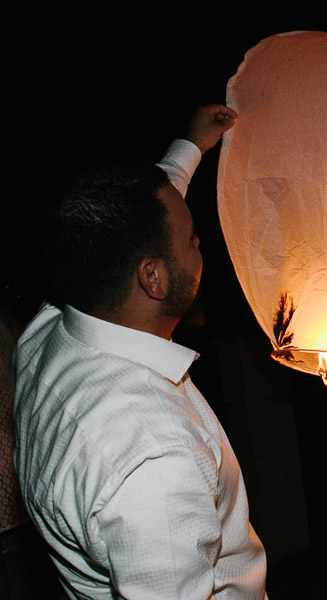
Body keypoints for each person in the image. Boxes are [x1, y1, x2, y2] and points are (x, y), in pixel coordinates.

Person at [12, 105, 270, 598]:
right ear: (152, 277)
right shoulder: (155, 463)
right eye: (193, 240)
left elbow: (140, 217)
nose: (201, 248)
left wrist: (190, 147)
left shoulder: (47, 328)